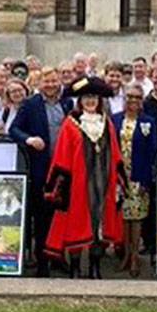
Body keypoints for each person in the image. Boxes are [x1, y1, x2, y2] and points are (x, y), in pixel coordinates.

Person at [44, 77, 124, 279]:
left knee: (99, 224)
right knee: (76, 225)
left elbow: (115, 154)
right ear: (80, 100)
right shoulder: (71, 124)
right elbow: (61, 156)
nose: (90, 101)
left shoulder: (107, 123)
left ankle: (95, 267)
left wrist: (120, 183)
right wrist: (58, 189)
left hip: (103, 183)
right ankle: (76, 268)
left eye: (94, 97)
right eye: (86, 97)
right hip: (78, 185)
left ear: (99, 100)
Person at [10, 67, 72, 277]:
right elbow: (14, 129)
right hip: (41, 171)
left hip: (64, 170)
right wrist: (29, 139)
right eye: (47, 81)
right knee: (42, 218)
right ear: (40, 83)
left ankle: (59, 258)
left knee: (61, 217)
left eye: (54, 81)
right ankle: (42, 263)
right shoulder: (30, 104)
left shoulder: (67, 103)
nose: (51, 85)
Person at [111, 83, 157, 277]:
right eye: (129, 96)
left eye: (137, 97)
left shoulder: (148, 121)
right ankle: (126, 253)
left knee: (136, 217)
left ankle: (135, 257)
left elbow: (152, 151)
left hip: (138, 175)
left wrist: (148, 180)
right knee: (123, 216)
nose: (133, 101)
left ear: (141, 101)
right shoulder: (115, 120)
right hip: (119, 176)